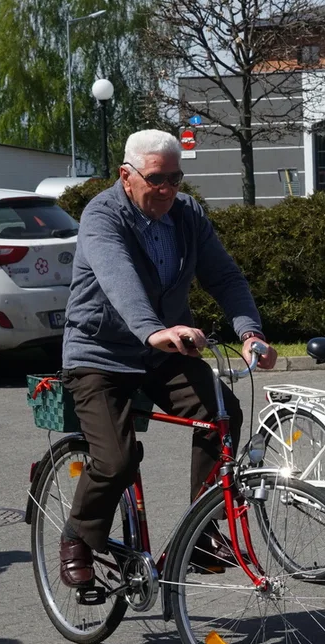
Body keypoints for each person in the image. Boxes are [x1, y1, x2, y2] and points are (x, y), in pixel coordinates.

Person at [57, 129, 277, 588]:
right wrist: (154, 329)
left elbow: (226, 277)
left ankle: (200, 529)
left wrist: (250, 331)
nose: (168, 190)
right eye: (158, 179)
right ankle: (78, 535)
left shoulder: (187, 214)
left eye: (176, 179)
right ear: (126, 175)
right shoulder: (102, 215)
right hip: (100, 354)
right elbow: (120, 280)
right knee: (116, 460)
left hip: (163, 351)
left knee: (220, 414)